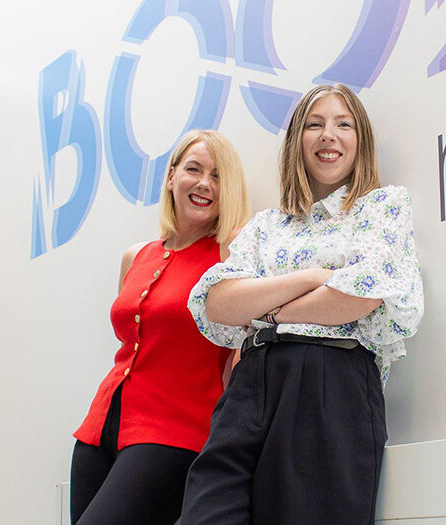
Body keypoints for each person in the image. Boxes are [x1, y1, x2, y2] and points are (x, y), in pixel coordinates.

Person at [181, 84, 424, 524]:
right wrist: (313, 279)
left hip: (329, 384)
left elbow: (359, 297)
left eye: (342, 124)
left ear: (360, 140)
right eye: (315, 124)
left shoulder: (382, 206)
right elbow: (217, 301)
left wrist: (265, 311)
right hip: (249, 385)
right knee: (207, 513)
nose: (328, 135)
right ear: (297, 142)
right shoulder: (267, 225)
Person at [70, 130, 251, 525]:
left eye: (218, 176)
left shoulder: (230, 255)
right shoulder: (135, 256)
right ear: (171, 177)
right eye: (194, 169)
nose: (205, 183)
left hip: (174, 435)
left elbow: (238, 356)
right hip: (99, 428)